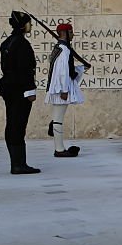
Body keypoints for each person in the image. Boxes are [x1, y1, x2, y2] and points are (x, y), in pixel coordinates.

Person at [0, 11, 39, 174]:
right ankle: (18, 164)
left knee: (12, 124)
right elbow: (25, 70)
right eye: (29, 23)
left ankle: (16, 163)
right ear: (23, 25)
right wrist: (30, 91)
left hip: (9, 88)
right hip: (19, 90)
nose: (31, 26)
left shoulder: (8, 42)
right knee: (18, 126)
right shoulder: (21, 44)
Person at [46, 22, 85, 158]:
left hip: (59, 87)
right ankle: (59, 149)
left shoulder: (60, 48)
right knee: (58, 119)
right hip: (61, 89)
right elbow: (63, 72)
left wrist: (81, 69)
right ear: (64, 33)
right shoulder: (64, 50)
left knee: (57, 118)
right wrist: (64, 90)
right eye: (71, 32)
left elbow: (68, 70)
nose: (73, 34)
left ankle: (55, 134)